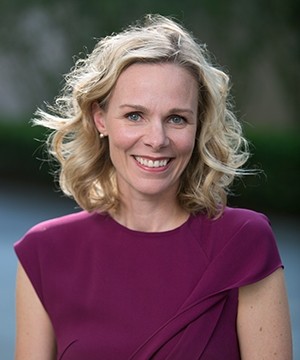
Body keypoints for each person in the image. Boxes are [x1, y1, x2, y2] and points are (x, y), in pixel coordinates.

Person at [14, 14, 292, 360]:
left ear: (197, 125)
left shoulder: (245, 242)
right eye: (135, 115)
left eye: (177, 118)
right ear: (101, 119)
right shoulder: (44, 252)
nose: (157, 140)